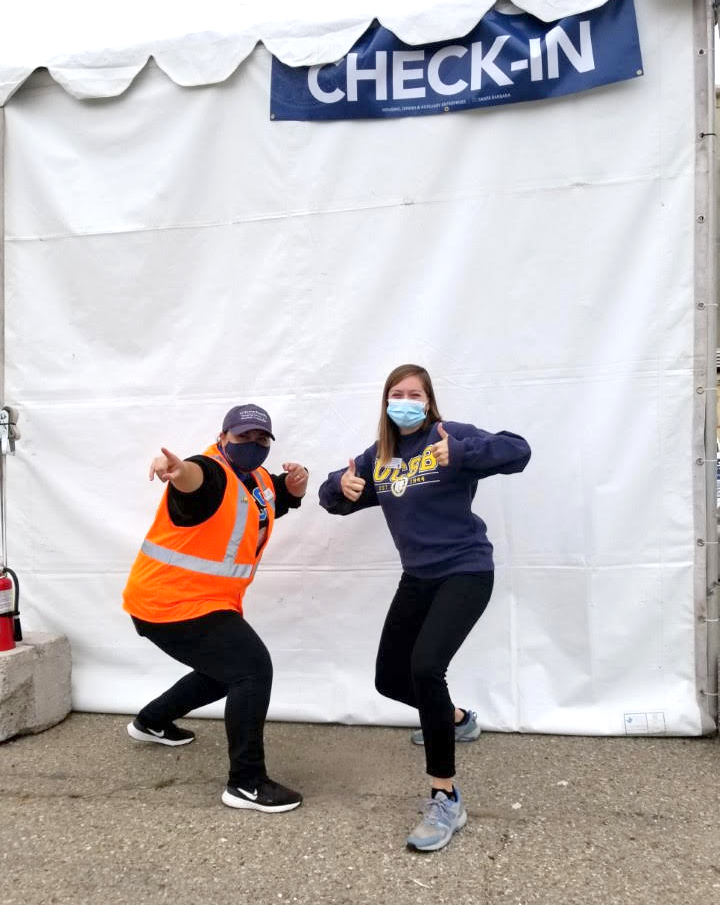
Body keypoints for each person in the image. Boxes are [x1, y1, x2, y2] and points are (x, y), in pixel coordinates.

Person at [318, 364, 530, 851]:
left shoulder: (448, 437)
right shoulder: (382, 456)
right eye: (397, 393)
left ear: (429, 401)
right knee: (389, 679)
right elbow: (339, 490)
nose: (406, 400)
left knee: (425, 668)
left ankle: (445, 796)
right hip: (418, 577)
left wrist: (464, 453)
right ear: (386, 402)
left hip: (466, 570)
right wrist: (340, 490)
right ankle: (456, 719)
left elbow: (518, 450)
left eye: (415, 393)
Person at [122, 403, 308, 813]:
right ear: (222, 437)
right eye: (243, 437)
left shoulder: (256, 480)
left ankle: (151, 721)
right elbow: (194, 480)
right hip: (168, 602)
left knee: (225, 671)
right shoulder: (208, 473)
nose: (253, 445)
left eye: (261, 439)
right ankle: (246, 782)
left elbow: (270, 499)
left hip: (202, 602)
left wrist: (297, 485)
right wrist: (177, 471)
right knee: (251, 668)